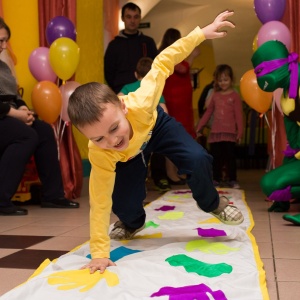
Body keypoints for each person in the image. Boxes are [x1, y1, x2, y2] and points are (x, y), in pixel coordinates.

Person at [68, 11, 244, 274]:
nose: (112, 140)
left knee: (197, 158)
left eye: (114, 128)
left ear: (123, 106)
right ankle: (133, 222)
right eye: (98, 138)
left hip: (154, 126)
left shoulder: (141, 100)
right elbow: (99, 202)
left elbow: (163, 61)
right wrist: (100, 254)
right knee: (123, 203)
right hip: (128, 157)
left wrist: (200, 34)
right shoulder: (102, 152)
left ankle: (212, 203)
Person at [0, 17, 79, 216]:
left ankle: (53, 196)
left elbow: (14, 95)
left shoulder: (3, 66)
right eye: (0, 41)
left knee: (44, 130)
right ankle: (1, 199)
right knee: (27, 135)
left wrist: (24, 108)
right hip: (3, 116)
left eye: (5, 40)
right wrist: (16, 114)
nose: (3, 46)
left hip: (10, 113)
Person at [118, 57, 171, 193]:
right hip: (151, 131)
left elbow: (117, 103)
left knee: (134, 159)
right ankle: (160, 179)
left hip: (134, 132)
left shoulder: (127, 88)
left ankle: (134, 185)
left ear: (136, 74)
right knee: (158, 151)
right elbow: (164, 112)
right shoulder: (154, 89)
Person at [196, 64, 243, 189]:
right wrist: (199, 127)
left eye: (225, 80)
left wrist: (240, 132)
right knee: (215, 157)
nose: (223, 83)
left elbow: (239, 115)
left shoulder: (235, 96)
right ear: (216, 81)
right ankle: (216, 179)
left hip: (230, 133)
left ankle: (232, 179)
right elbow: (208, 112)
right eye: (220, 80)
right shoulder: (215, 96)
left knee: (230, 158)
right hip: (216, 133)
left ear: (231, 80)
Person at [104, 2, 158, 94]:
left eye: (136, 17)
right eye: (129, 17)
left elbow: (156, 67)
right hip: (122, 92)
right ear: (122, 18)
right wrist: (117, 89)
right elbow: (108, 72)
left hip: (145, 92)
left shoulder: (148, 42)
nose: (132, 21)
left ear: (140, 18)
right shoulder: (114, 45)